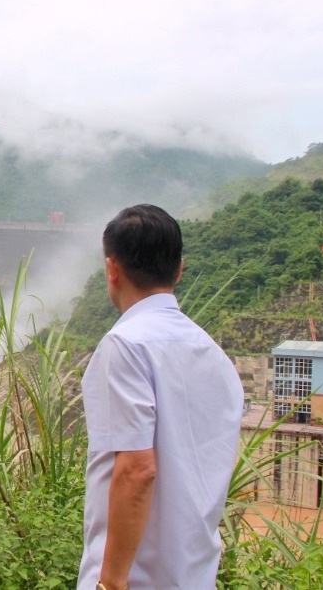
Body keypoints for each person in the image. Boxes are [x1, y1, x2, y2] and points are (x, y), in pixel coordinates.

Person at [77, 204, 243, 590]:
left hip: (135, 580)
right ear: (179, 270)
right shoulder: (216, 357)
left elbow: (137, 469)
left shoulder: (125, 345)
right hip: (195, 578)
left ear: (112, 269)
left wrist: (111, 583)